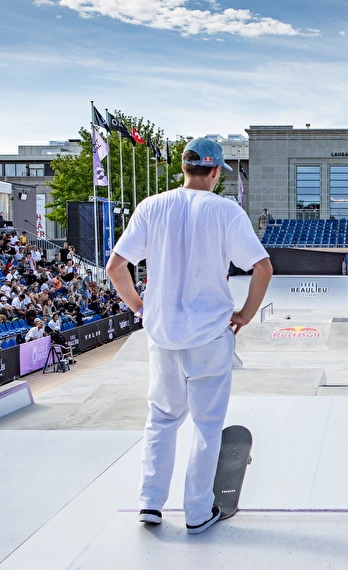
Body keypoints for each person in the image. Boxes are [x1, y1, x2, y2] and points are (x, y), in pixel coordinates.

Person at [106, 137, 272, 535]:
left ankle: (149, 503)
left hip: (162, 337)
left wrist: (141, 308)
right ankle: (197, 511)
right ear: (215, 172)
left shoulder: (151, 206)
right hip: (210, 337)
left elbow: (115, 266)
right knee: (206, 425)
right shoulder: (225, 210)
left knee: (161, 420)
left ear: (184, 168)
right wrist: (246, 315)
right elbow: (262, 267)